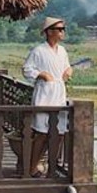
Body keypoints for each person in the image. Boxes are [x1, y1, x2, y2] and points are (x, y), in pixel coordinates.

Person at [22, 16, 73, 177]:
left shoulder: (63, 51)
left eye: (63, 29)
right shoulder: (38, 51)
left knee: (58, 133)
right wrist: (41, 74)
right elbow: (26, 69)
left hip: (58, 94)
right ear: (50, 32)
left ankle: (52, 168)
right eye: (60, 29)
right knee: (42, 133)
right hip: (44, 94)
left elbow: (66, 68)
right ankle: (31, 167)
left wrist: (68, 71)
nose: (62, 32)